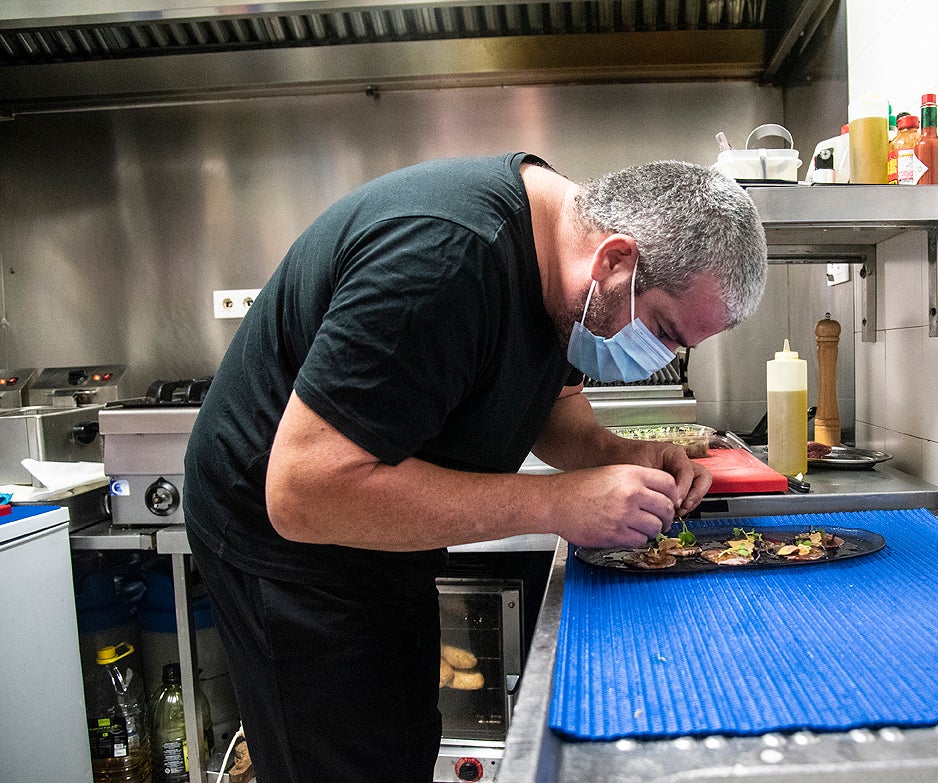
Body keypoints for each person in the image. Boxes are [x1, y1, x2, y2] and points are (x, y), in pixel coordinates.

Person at [183, 152, 767, 782]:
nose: (659, 358)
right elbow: (304, 493)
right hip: (288, 546)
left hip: (375, 533)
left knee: (401, 742)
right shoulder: (440, 261)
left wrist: (616, 454)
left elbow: (552, 403)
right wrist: (558, 504)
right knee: (341, 760)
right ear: (615, 261)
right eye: (663, 330)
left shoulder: (568, 276)